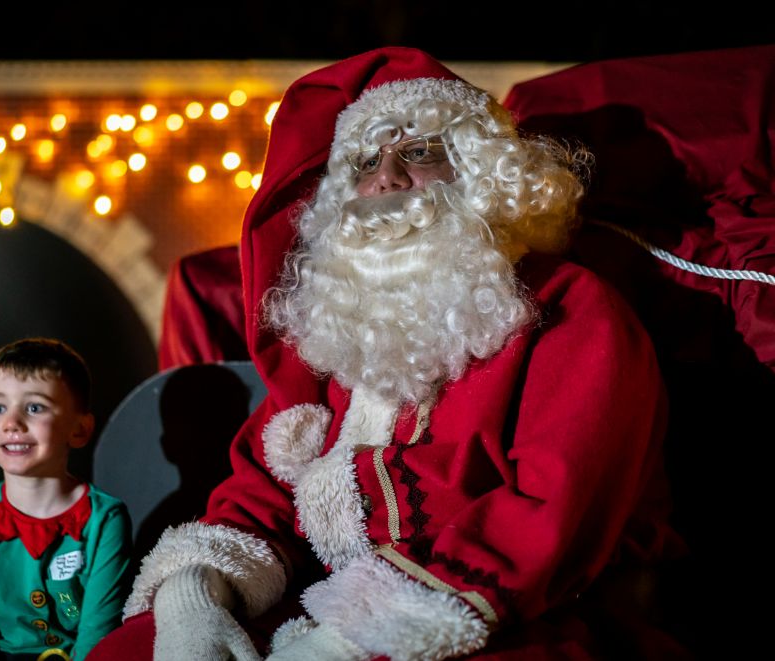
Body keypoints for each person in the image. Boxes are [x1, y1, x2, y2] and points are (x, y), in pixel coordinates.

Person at [88, 47, 682, 660]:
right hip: (324, 592)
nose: (387, 179)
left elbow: (552, 517)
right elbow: (264, 489)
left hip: (502, 612)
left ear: (480, 173)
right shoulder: (340, 321)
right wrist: (195, 592)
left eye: (419, 152)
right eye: (366, 160)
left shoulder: (573, 308)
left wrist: (352, 640)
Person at [0, 337, 133, 660]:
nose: (11, 423)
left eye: (34, 407)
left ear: (80, 429)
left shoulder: (105, 520)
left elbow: (99, 637)